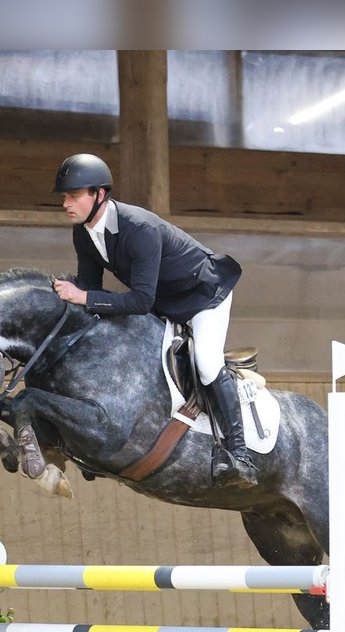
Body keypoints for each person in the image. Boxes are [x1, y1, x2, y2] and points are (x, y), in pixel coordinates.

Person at [49, 153, 257, 488]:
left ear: (99, 195)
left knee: (205, 362)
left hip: (202, 295)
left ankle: (240, 456)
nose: (66, 204)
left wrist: (83, 297)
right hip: (163, 301)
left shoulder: (139, 229)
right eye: (64, 197)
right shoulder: (83, 233)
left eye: (73, 196)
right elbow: (90, 287)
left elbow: (136, 300)